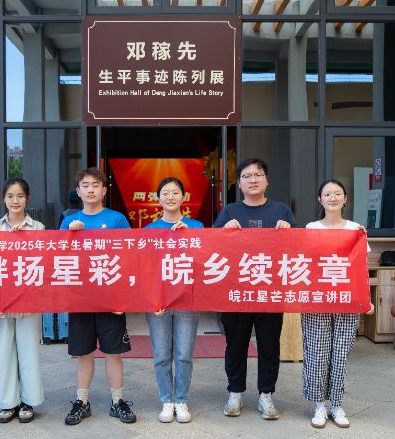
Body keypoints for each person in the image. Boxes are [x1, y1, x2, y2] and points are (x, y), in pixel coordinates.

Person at [213, 158, 295, 421]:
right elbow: (211, 247)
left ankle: (266, 394)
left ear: (267, 180)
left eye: (258, 174)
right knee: (235, 345)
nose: (253, 180)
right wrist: (223, 231)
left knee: (269, 345)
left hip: (270, 291)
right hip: (236, 292)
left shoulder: (281, 211)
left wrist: (289, 231)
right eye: (247, 176)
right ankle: (235, 392)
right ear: (239, 183)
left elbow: (298, 248)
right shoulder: (229, 211)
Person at [60, 167, 137, 426]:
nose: (90, 189)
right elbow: (59, 259)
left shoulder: (117, 219)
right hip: (81, 298)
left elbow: (129, 258)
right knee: (84, 353)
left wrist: (124, 298)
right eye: (85, 185)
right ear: (78, 191)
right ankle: (82, 401)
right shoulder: (68, 221)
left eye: (95, 185)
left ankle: (117, 401)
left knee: (114, 352)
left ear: (104, 190)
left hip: (111, 298)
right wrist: (70, 235)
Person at [302, 179, 374, 429]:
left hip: (347, 300)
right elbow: (303, 263)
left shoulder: (356, 229)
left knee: (341, 354)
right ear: (320, 200)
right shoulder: (311, 228)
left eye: (337, 194)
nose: (332, 198)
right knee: (317, 353)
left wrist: (366, 300)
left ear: (345, 199)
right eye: (327, 194)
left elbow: (361, 268)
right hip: (317, 300)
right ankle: (319, 405)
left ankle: (336, 404)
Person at [145, 177, 203, 424]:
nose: (170, 197)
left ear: (183, 197)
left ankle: (181, 399)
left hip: (187, 301)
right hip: (158, 303)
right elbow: (145, 270)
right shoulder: (149, 230)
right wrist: (151, 300)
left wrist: (188, 235)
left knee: (184, 354)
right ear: (158, 199)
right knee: (161, 355)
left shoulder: (196, 226)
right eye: (165, 193)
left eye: (175, 192)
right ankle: (166, 400)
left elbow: (205, 262)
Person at [0, 177, 45, 424]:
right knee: (3, 352)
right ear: (4, 199)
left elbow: (43, 261)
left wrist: (23, 240)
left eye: (20, 196)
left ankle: (28, 401)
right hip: (0, 300)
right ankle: (7, 403)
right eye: (10, 196)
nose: (15, 201)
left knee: (28, 351)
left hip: (28, 299)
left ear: (27, 199)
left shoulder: (38, 228)